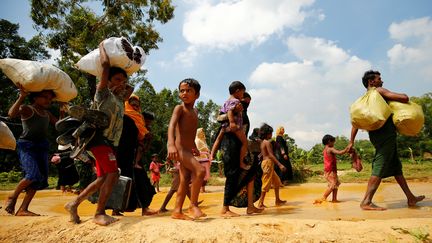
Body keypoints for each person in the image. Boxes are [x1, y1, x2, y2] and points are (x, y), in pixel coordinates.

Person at [65, 41, 127, 226]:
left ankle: (74, 204)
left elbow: (126, 88)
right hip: (97, 138)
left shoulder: (120, 100)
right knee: (113, 173)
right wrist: (102, 46)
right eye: (116, 80)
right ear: (106, 81)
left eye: (124, 82)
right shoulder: (103, 94)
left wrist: (122, 86)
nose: (121, 84)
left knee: (102, 177)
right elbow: (106, 66)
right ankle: (99, 213)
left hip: (110, 142)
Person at [347, 70, 425, 210]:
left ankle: (410, 198)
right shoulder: (379, 92)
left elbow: (355, 123)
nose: (382, 81)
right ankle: (366, 201)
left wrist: (351, 141)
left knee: (396, 168)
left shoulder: (365, 100)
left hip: (376, 136)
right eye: (379, 78)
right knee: (380, 165)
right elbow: (404, 98)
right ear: (372, 82)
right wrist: (403, 96)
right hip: (386, 136)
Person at [5, 87, 61, 216]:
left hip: (42, 147)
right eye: (45, 97)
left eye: (50, 98)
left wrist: (62, 110)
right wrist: (21, 97)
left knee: (38, 179)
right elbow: (11, 114)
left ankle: (23, 209)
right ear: (35, 97)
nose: (48, 100)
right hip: (27, 146)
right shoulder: (28, 109)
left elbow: (59, 126)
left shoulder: (47, 113)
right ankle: (12, 197)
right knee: (32, 175)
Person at [167, 78, 206, 220]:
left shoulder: (195, 111)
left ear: (197, 95)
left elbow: (189, 132)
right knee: (200, 170)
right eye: (182, 90)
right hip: (180, 149)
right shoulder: (179, 109)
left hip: (188, 150)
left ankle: (177, 211)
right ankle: (193, 205)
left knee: (184, 179)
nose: (184, 93)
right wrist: (170, 144)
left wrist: (194, 146)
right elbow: (171, 126)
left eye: (188, 90)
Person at [211, 81, 249, 170]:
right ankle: (241, 162)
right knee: (245, 142)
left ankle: (212, 155)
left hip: (224, 126)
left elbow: (223, 112)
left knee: (218, 139)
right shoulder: (235, 101)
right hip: (235, 126)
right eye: (242, 93)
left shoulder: (226, 101)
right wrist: (232, 123)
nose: (243, 95)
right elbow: (230, 111)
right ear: (237, 91)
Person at [257, 123, 287, 209]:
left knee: (277, 182)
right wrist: (280, 164)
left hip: (267, 163)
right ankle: (260, 203)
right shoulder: (267, 143)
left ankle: (277, 200)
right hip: (268, 164)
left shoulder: (263, 142)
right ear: (267, 133)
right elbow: (270, 155)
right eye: (270, 133)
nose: (271, 135)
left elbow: (263, 154)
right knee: (266, 183)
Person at [314, 134, 349, 204]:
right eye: (333, 142)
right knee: (333, 185)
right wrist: (347, 149)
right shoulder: (330, 149)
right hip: (331, 170)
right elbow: (340, 152)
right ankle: (323, 197)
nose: (333, 144)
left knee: (336, 184)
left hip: (330, 170)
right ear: (329, 141)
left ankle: (334, 199)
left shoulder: (325, 149)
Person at [194, 128, 211, 193]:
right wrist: (206, 150)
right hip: (200, 159)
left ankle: (202, 189)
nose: (203, 133)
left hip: (204, 159)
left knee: (204, 175)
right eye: (202, 132)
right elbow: (199, 150)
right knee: (201, 175)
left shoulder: (201, 140)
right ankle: (201, 189)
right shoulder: (197, 141)